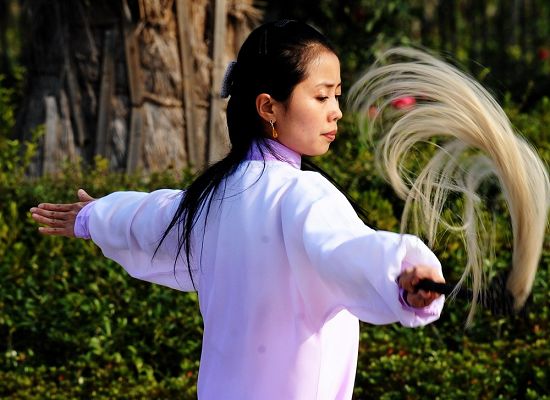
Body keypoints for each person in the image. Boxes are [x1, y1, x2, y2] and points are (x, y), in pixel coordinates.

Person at [30, 20, 445, 400]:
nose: (335, 110)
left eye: (336, 95)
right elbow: (346, 249)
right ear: (268, 107)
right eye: (321, 96)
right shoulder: (303, 197)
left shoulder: (209, 199)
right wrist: (402, 273)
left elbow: (145, 220)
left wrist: (94, 217)